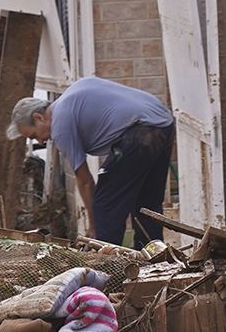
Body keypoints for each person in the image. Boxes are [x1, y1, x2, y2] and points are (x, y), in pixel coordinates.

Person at [13, 78, 176, 245]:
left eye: (33, 136)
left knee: (105, 202)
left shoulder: (60, 125)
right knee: (147, 202)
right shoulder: (69, 97)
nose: (40, 142)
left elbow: (85, 182)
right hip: (164, 122)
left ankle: (107, 262)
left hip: (141, 131)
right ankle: (153, 256)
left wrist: (94, 227)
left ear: (39, 117)